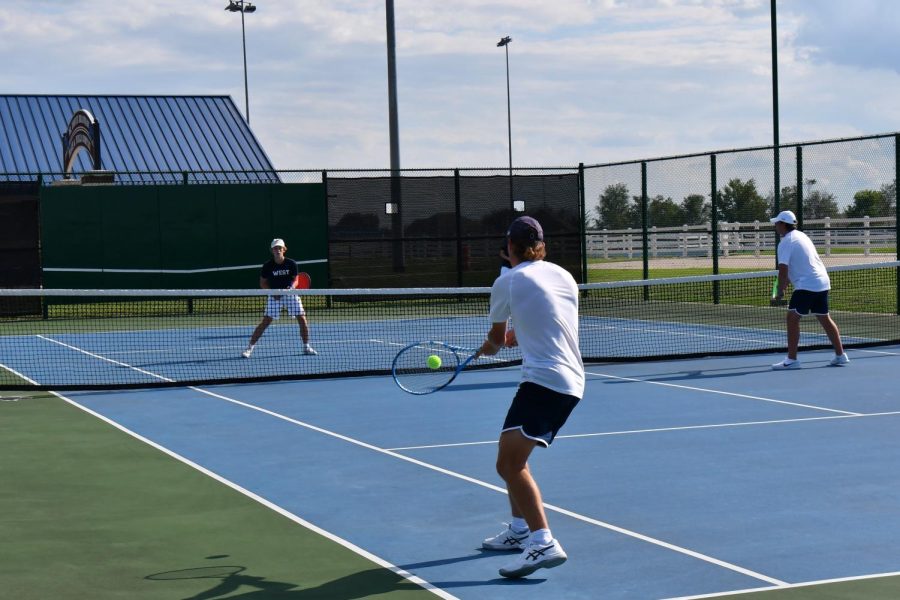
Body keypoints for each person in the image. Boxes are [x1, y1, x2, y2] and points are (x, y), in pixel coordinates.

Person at [478, 216, 584, 578]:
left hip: (545, 381)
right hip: (570, 380)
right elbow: (551, 319)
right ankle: (519, 531)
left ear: (509, 247)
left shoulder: (506, 280)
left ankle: (542, 542)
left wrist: (487, 348)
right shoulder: (563, 275)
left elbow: (494, 342)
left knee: (508, 465)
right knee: (513, 455)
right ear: (540, 246)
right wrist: (518, 335)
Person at [770, 210, 847, 370]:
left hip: (808, 284)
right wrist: (783, 287)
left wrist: (779, 290)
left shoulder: (785, 242)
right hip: (822, 282)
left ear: (783, 224)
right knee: (824, 318)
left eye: (777, 223)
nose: (775, 226)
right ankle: (840, 355)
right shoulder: (801, 236)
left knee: (792, 319)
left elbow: (783, 269)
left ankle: (792, 360)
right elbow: (795, 267)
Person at [242, 238, 317, 358]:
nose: (278, 250)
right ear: (272, 250)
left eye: (280, 248)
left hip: (290, 295)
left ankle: (306, 347)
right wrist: (272, 293)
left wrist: (291, 287)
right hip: (274, 295)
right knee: (266, 321)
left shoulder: (291, 263)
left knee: (302, 318)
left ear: (284, 249)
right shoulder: (267, 266)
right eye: (275, 248)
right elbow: (262, 283)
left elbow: (296, 279)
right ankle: (249, 348)